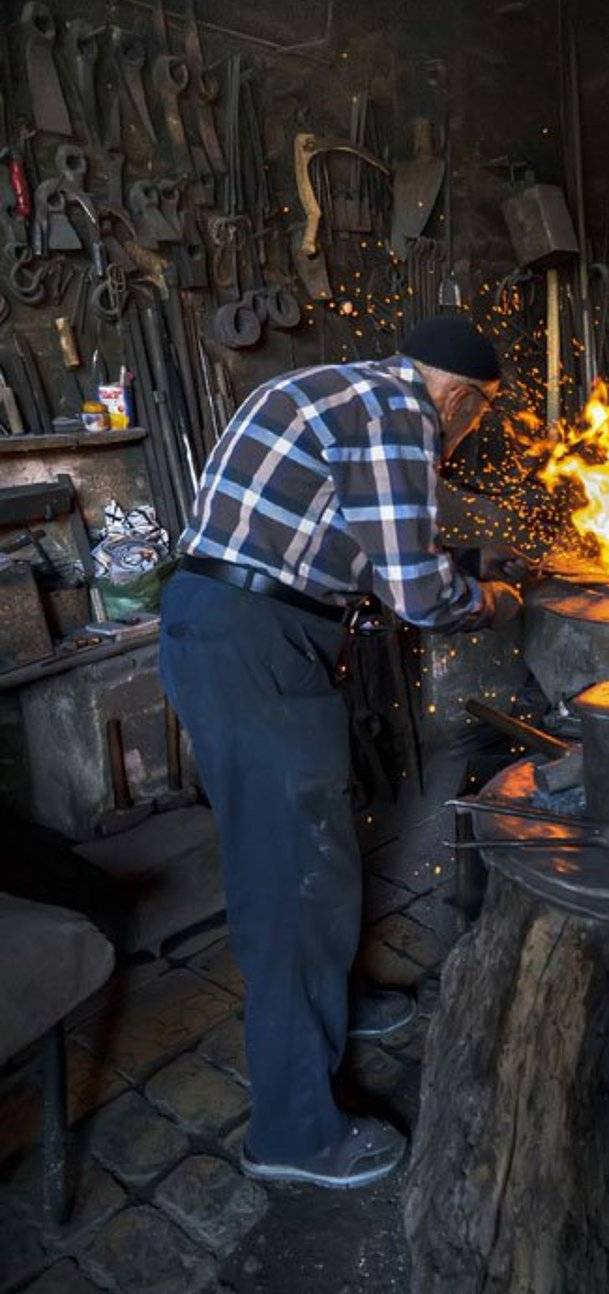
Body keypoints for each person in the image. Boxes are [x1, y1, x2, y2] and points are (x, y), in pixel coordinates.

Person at [159, 316, 523, 1190]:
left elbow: (349, 541)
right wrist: (494, 601)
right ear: (459, 397)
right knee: (289, 877)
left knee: (313, 852)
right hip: (256, 641)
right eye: (478, 414)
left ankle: (332, 1004)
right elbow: (417, 593)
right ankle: (293, 1133)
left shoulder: (333, 388)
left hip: (233, 626)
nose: (466, 433)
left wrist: (452, 560)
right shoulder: (400, 413)